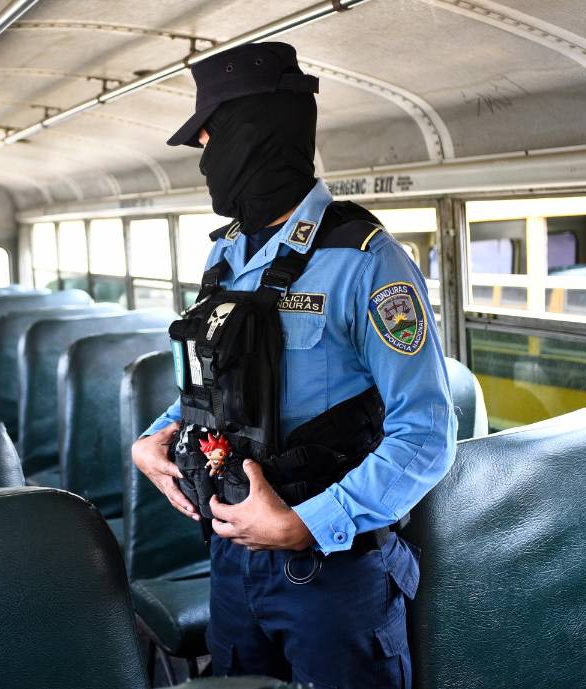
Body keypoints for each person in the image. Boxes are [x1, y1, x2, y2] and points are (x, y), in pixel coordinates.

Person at [131, 42, 456, 688]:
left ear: (257, 134)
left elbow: (426, 434)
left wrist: (303, 524)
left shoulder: (365, 260)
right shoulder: (222, 259)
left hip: (330, 575)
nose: (205, 162)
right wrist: (153, 438)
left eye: (211, 138)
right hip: (231, 560)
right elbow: (217, 383)